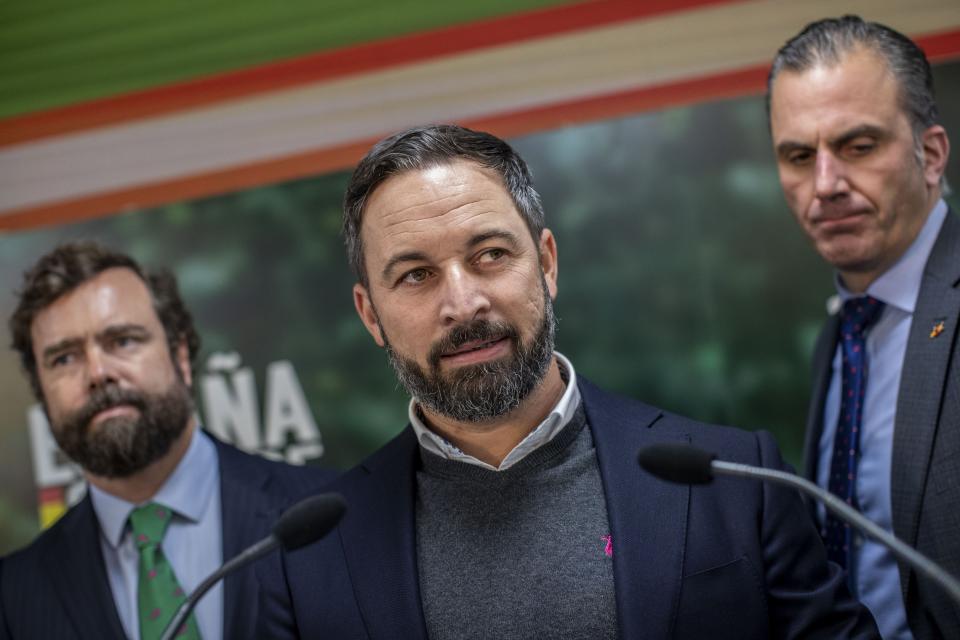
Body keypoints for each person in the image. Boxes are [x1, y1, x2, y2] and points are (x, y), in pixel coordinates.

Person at [257, 124, 878, 639]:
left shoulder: (737, 481)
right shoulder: (311, 555)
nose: (464, 303)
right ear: (371, 315)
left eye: (490, 255)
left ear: (546, 264)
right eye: (416, 275)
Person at [0, 243, 334, 640]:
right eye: (64, 359)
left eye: (122, 340)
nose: (98, 372)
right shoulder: (14, 595)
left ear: (181, 358)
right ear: (41, 393)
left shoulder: (321, 517)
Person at [767, 15, 957, 640]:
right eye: (799, 156)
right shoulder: (845, 330)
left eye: (858, 146)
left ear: (930, 155)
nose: (825, 185)